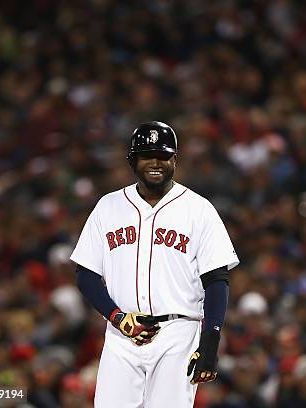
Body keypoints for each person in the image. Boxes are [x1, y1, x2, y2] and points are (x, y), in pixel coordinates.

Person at [70, 121, 239, 407]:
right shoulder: (108, 207)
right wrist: (116, 317)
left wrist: (210, 341)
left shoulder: (198, 209)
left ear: (175, 159)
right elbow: (85, 274)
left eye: (163, 155)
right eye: (147, 155)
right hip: (122, 334)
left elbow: (216, 280)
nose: (155, 163)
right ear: (132, 160)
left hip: (177, 334)